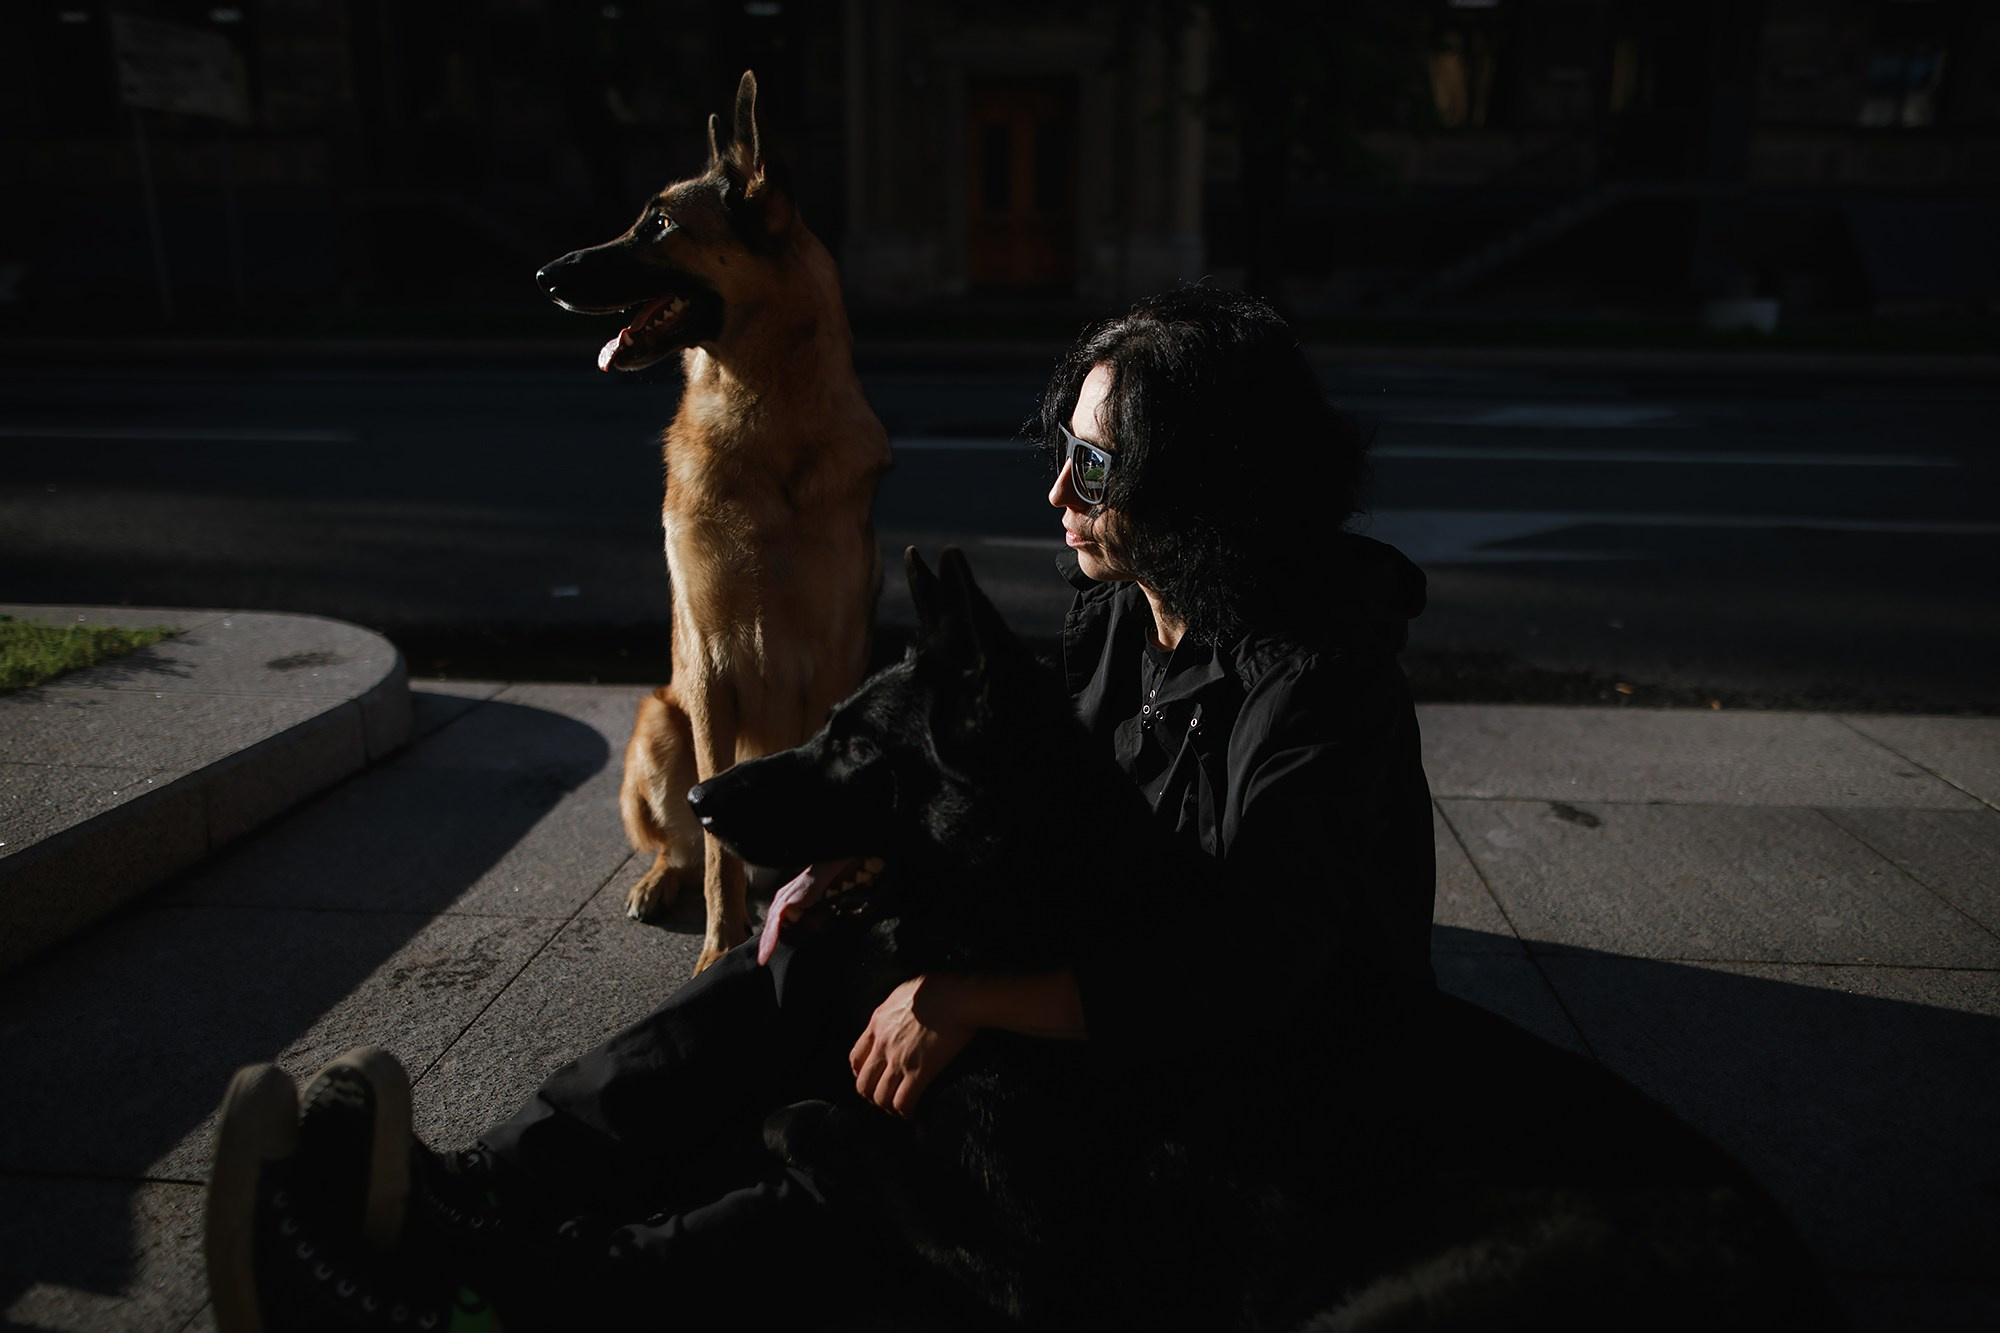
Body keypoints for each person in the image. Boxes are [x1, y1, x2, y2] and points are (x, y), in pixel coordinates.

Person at [203, 285, 1437, 1331]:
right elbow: (1047, 824)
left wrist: (962, 998)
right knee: (813, 952)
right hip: (1128, 984)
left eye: (1098, 463)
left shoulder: (1317, 683)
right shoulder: (1130, 608)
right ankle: (483, 1188)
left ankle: (485, 1291)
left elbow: (1253, 971)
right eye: (1060, 443)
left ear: (1204, 479)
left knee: (904, 1155)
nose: (1058, 485)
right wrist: (864, 875)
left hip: (1255, 1088)